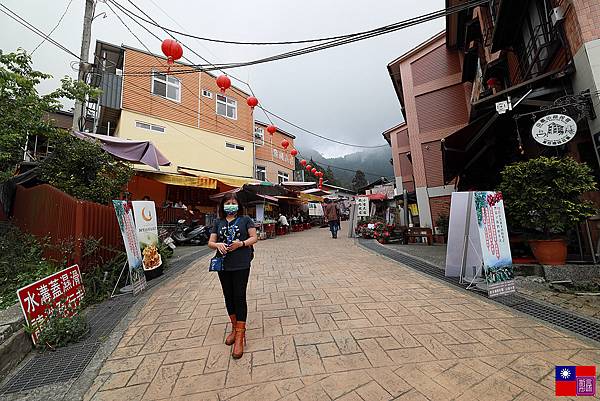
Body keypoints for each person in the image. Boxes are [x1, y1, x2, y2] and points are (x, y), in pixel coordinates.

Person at [208, 193, 257, 359]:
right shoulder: (218, 222)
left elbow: (254, 238)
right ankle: (235, 329)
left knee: (239, 296)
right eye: (227, 203)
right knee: (228, 296)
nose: (230, 205)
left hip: (241, 264)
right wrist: (217, 244)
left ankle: (240, 337)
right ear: (223, 206)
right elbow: (210, 242)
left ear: (238, 205)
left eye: (233, 203)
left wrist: (241, 244)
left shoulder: (245, 220)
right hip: (223, 264)